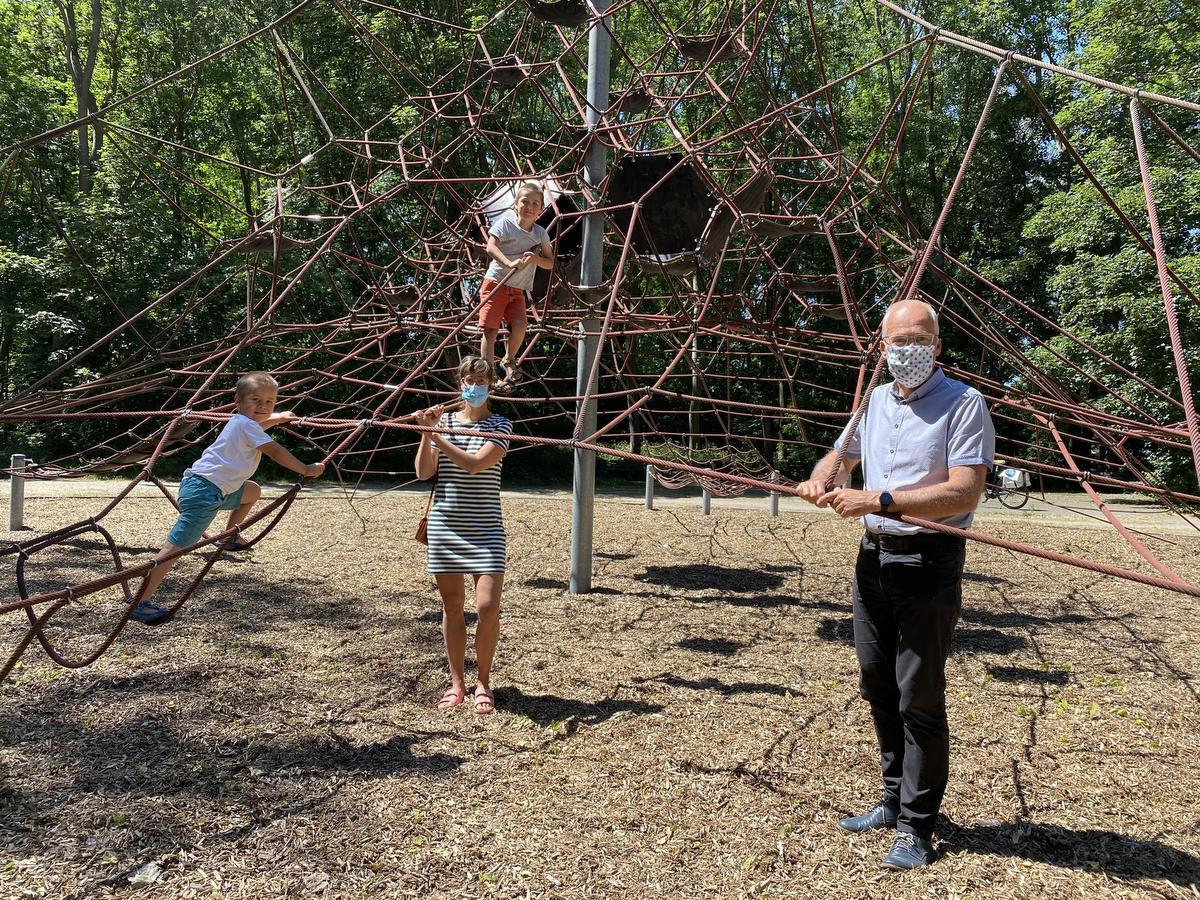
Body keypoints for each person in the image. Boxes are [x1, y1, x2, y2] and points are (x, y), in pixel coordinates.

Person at [796, 298, 995, 870]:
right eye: (896, 341)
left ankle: (918, 825)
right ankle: (892, 799)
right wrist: (821, 480)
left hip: (929, 562)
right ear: (882, 347)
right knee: (877, 681)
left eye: (918, 339)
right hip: (873, 559)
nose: (906, 350)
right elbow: (839, 458)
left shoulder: (964, 403)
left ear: (937, 345)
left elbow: (963, 491)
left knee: (919, 696)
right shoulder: (876, 401)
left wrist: (880, 499)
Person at [129, 372, 325, 625]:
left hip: (213, 489)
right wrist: (306, 469)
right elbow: (275, 451)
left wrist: (277, 418)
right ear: (238, 401)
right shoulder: (246, 426)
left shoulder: (242, 423)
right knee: (173, 550)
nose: (263, 406)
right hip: (204, 492)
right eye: (256, 400)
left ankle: (231, 534)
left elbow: (259, 423)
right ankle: (139, 601)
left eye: (269, 402)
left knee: (252, 491)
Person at [414, 356, 513, 714]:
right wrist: (427, 434)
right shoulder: (446, 422)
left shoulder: (501, 425)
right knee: (452, 606)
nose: (475, 386)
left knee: (487, 607)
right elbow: (425, 473)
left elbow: (474, 466)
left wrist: (437, 435)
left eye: (482, 380)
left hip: (486, 528)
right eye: (469, 379)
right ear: (459, 382)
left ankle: (483, 682)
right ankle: (457, 683)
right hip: (445, 526)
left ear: (491, 386)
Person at [479, 182, 555, 389]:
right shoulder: (505, 223)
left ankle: (508, 359)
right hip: (496, 283)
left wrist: (534, 259)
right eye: (525, 202)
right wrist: (508, 263)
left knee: (521, 326)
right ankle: (488, 374)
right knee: (491, 331)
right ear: (515, 204)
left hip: (518, 289)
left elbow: (550, 263)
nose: (529, 207)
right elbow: (491, 246)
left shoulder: (540, 233)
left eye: (535, 204)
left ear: (541, 209)